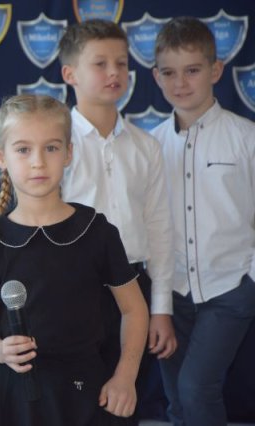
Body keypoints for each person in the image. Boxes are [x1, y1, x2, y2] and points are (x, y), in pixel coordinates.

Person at [0, 94, 149, 426]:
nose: (38, 162)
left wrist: (125, 375)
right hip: (13, 400)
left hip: (85, 394)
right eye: (23, 149)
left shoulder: (96, 231)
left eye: (50, 148)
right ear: (0, 157)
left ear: (68, 153)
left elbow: (134, 310)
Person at [58, 19, 177, 422]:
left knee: (123, 404)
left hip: (134, 290)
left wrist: (160, 308)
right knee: (73, 404)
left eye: (122, 63)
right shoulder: (55, 145)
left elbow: (159, 231)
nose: (114, 73)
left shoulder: (146, 147)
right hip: (71, 288)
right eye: (100, 63)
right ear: (70, 74)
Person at [150, 17, 255, 426]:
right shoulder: (150, 146)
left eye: (192, 70)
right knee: (178, 399)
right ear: (156, 77)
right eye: (169, 73)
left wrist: (250, 280)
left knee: (197, 388)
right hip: (171, 294)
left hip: (230, 288)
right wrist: (157, 301)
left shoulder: (246, 139)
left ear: (216, 70)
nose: (180, 83)